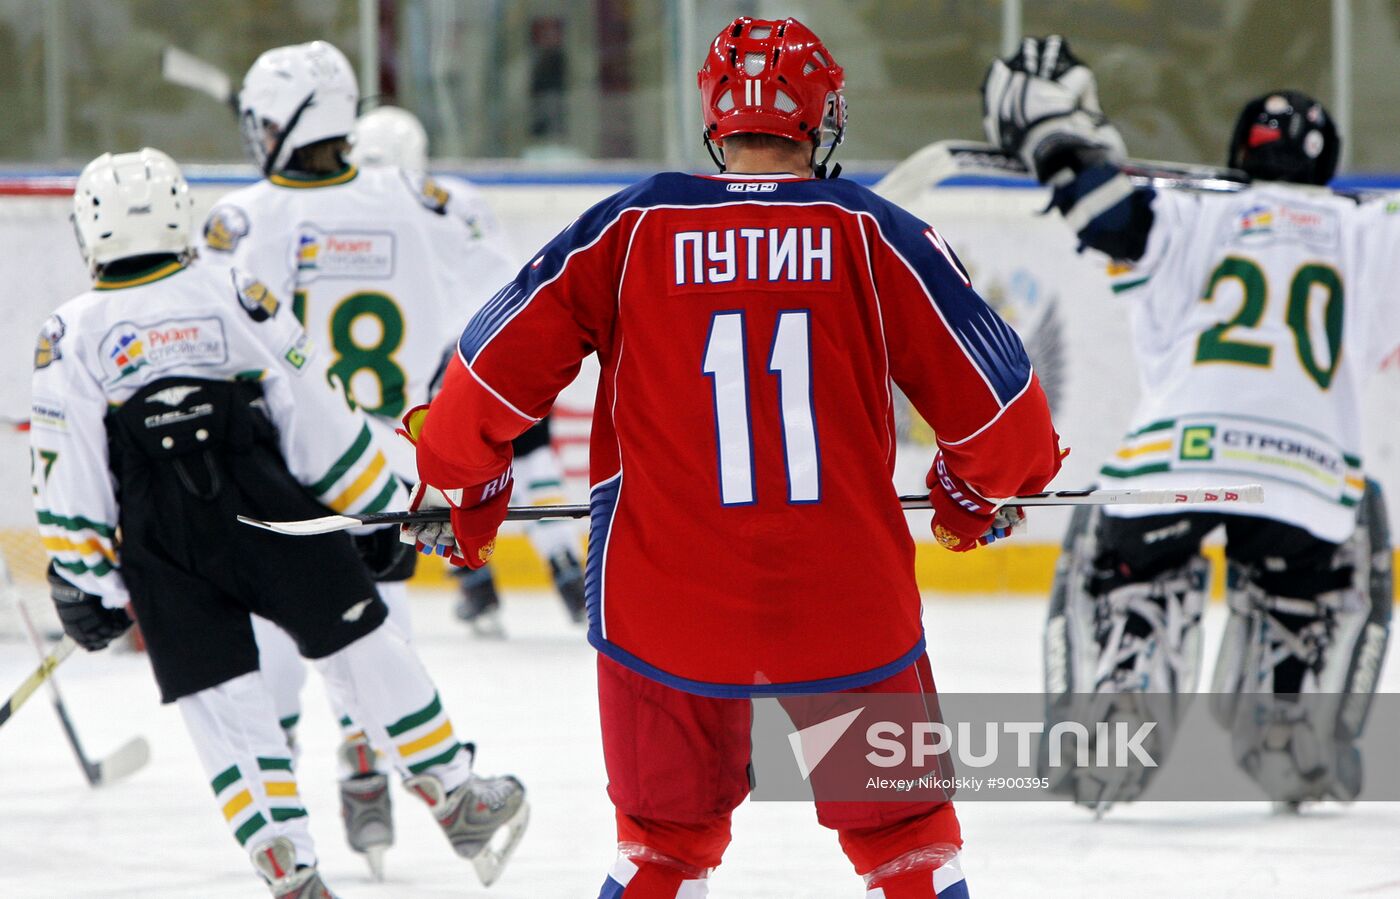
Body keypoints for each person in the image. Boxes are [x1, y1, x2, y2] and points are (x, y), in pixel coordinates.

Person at [401, 17, 1063, 898]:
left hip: (661, 602)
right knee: (906, 842)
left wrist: (466, 483)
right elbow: (1006, 414)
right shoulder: (872, 233)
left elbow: (486, 372)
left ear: (717, 116)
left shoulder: (629, 225)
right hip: (845, 601)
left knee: (659, 848)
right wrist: (972, 492)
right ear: (820, 117)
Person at [32, 148, 528, 897]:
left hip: (162, 542)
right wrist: (372, 505)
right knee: (363, 643)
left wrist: (84, 575)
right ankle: (456, 794)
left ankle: (285, 860)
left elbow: (68, 466)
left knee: (223, 698)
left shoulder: (67, 333)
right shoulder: (233, 286)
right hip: (267, 511)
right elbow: (312, 405)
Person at [983, 36, 1394, 811]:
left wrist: (1053, 135)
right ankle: (1289, 706)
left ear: (1239, 154)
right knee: (1346, 515)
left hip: (1171, 468)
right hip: (1304, 481)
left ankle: (1125, 675)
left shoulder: (1186, 211)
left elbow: (1099, 209)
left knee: (1128, 558)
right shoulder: (1371, 231)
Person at [199, 42, 526, 875]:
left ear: (297, 120)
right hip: (388, 476)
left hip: (282, 477)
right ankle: (383, 767)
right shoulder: (419, 202)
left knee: (271, 659)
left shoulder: (244, 219)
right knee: (380, 643)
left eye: (267, 120)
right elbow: (515, 296)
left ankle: (288, 842)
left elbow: (213, 351)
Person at [351, 103, 588, 636]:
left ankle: (474, 585)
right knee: (532, 453)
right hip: (502, 342)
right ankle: (570, 573)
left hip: (433, 358)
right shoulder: (458, 197)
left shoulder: (364, 210)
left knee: (438, 462)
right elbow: (505, 273)